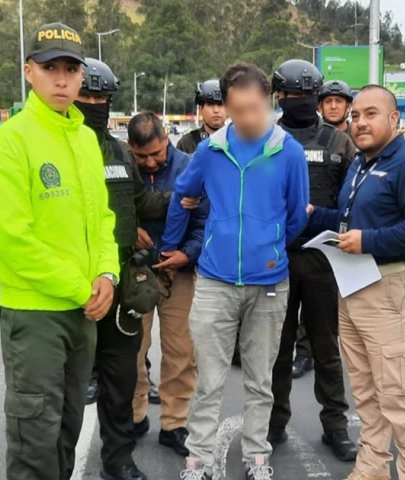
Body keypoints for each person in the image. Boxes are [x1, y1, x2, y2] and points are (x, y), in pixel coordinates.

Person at [0, 23, 119, 480]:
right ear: (29, 72)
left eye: (70, 69)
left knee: (67, 429)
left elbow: (102, 219)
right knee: (34, 439)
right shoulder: (9, 142)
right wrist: (83, 288)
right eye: (50, 67)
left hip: (84, 310)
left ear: (82, 77)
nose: (61, 79)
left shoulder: (84, 140)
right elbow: (13, 240)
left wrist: (107, 275)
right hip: (36, 312)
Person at [164, 62, 310, 480]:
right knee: (207, 380)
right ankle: (199, 460)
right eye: (238, 109)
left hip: (269, 284)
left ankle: (256, 456)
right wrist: (172, 247)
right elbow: (184, 194)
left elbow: (296, 215)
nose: (248, 118)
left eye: (256, 108)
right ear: (224, 107)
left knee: (260, 381)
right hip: (213, 282)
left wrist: (269, 246)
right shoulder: (210, 152)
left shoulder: (289, 152)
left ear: (270, 102)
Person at [310, 85, 405, 480]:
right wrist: (315, 214)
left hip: (387, 287)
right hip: (352, 287)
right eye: (357, 116)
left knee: (399, 395)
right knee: (365, 391)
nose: (360, 122)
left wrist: (368, 241)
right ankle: (372, 469)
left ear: (394, 119)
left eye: (370, 114)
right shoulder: (361, 163)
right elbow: (349, 222)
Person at [73, 59, 172, 480]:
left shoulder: (116, 150)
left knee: (119, 374)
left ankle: (118, 457)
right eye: (86, 96)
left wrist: (181, 198)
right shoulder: (59, 148)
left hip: (120, 279)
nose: (93, 103)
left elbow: (135, 202)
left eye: (101, 97)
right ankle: (58, 459)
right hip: (72, 282)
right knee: (67, 381)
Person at [268, 58, 357, 462]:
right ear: (280, 97)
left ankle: (335, 427)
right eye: (293, 95)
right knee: (277, 348)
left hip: (324, 261)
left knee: (325, 347)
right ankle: (273, 423)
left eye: (308, 96)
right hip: (278, 259)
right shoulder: (267, 137)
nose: (300, 102)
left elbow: (353, 202)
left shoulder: (340, 143)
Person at [128, 112, 208, 458]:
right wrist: (128, 232)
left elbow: (208, 220)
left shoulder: (192, 166)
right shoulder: (123, 168)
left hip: (180, 273)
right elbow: (107, 209)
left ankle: (174, 423)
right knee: (132, 350)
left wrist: (186, 255)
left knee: (180, 352)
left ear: (166, 140)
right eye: (140, 156)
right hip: (136, 274)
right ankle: (134, 416)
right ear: (130, 149)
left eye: (156, 154)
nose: (149, 162)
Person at [176, 79, 226, 154]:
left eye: (220, 105)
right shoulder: (186, 143)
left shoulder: (240, 141)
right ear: (200, 109)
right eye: (210, 104)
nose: (216, 110)